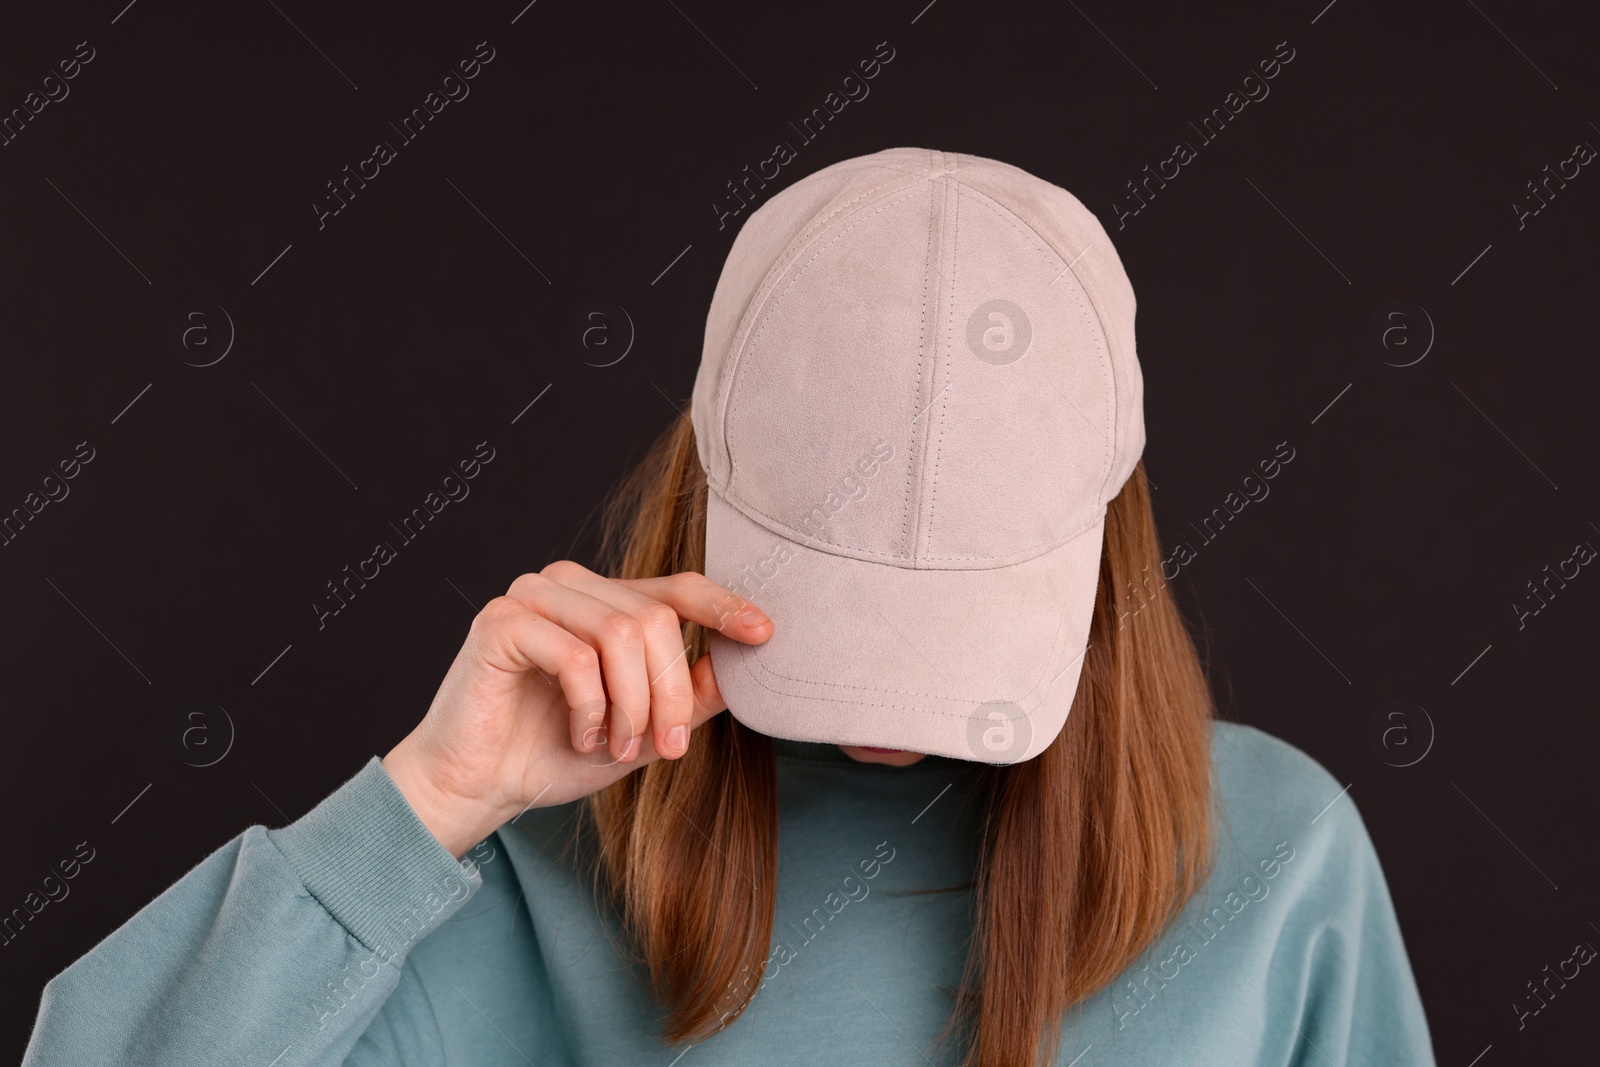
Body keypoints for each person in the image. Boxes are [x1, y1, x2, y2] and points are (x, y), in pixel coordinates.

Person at [22, 148, 1435, 1066]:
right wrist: (428, 801)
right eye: (847, 606)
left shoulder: (1280, 862)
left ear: (1105, 537)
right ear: (709, 482)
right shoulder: (518, 866)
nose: (890, 710)